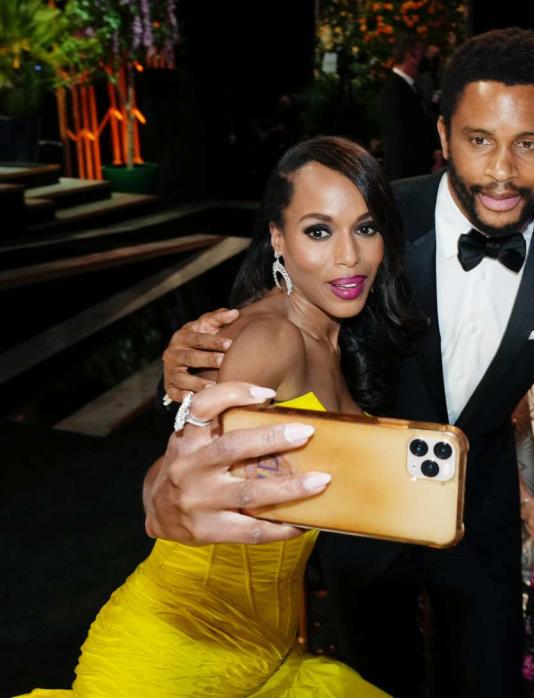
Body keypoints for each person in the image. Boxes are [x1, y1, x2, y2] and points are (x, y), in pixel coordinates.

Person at [154, 28, 534, 697]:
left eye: (530, 144)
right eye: (479, 139)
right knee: (370, 683)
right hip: (354, 514)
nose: (502, 170)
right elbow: (279, 313)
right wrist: (190, 368)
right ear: (444, 132)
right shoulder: (370, 218)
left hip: (477, 516)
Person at [23, 136, 426, 697]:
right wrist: (160, 495)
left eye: (365, 228)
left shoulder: (337, 334)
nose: (348, 256)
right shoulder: (267, 338)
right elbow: (179, 472)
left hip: (272, 653)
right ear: (278, 240)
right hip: (172, 662)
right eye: (318, 231)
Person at [379, 34, 440, 180]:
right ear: (409, 57)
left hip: (414, 169)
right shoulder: (394, 89)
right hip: (405, 171)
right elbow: (400, 135)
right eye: (421, 55)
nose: (424, 60)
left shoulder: (408, 86)